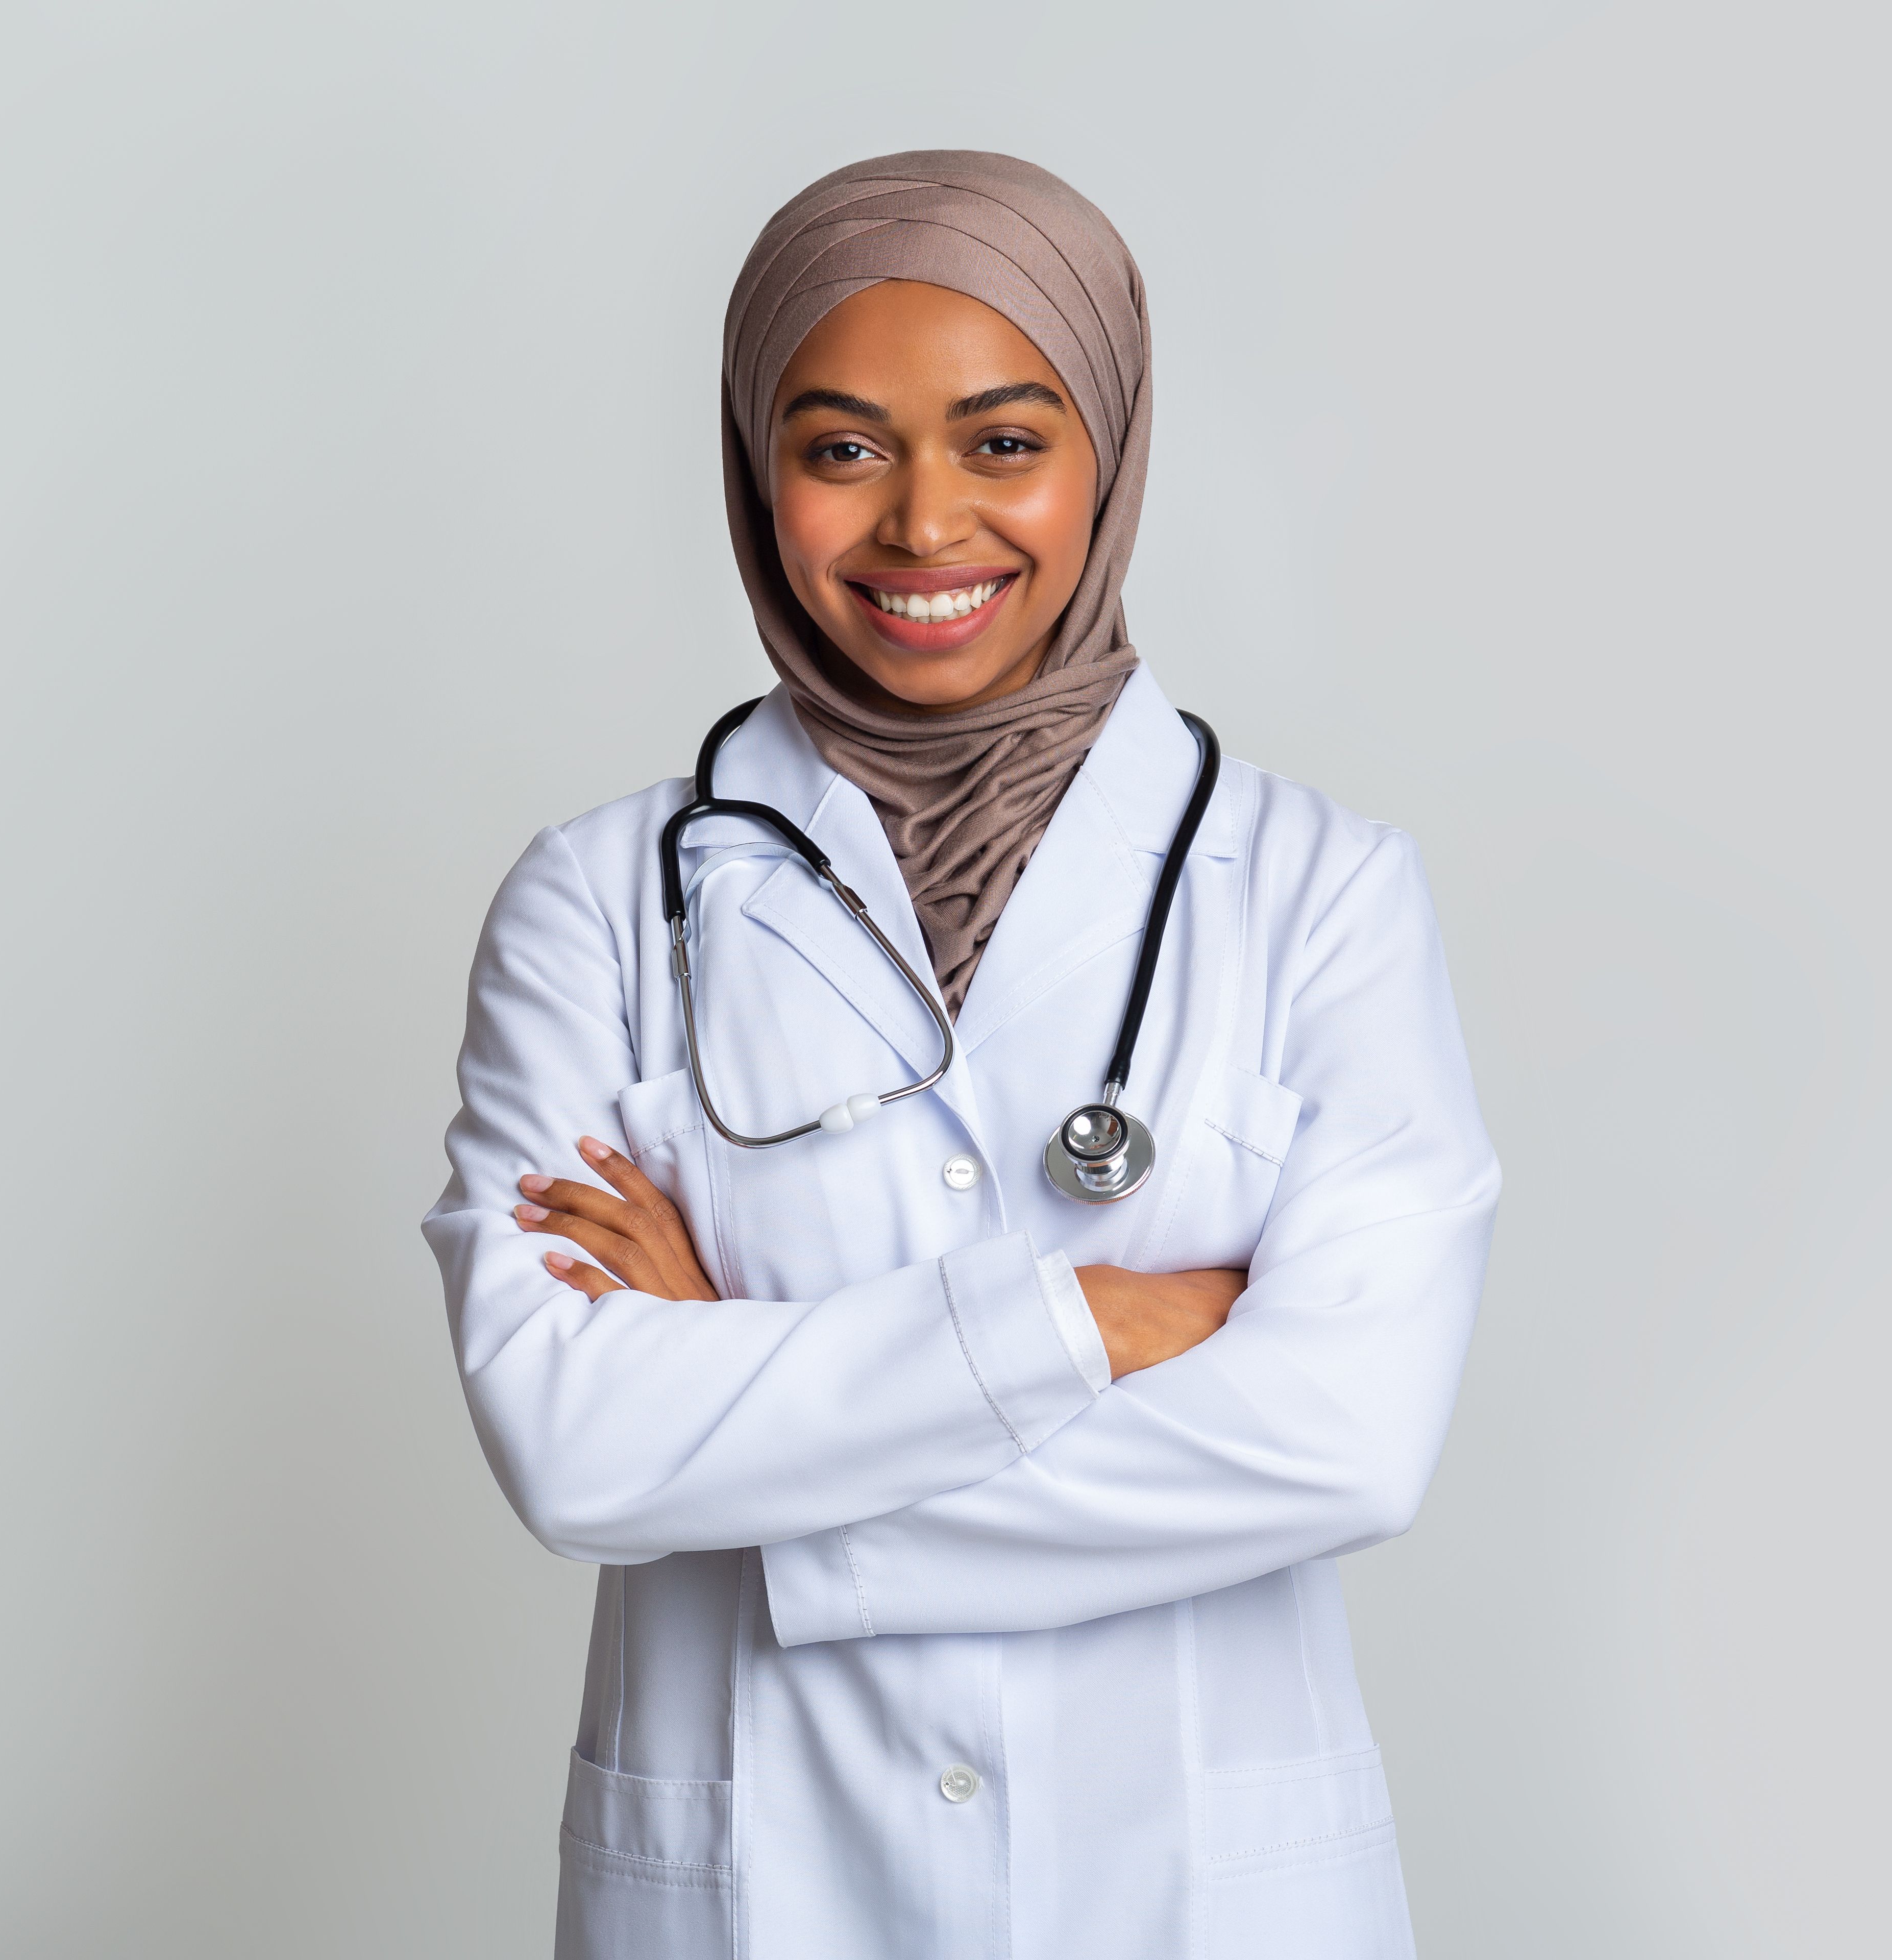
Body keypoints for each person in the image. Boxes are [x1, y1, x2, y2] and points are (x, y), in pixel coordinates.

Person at [425, 151, 1498, 1960]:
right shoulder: (602, 903)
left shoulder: (1321, 897)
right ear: (757, 473)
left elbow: (1346, 1440)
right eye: (843, 448)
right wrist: (1097, 1324)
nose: (926, 527)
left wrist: (753, 1414)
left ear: (1114, 451)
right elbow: (574, 1447)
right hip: (765, 1897)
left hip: (1195, 1899)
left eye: (1005, 442)